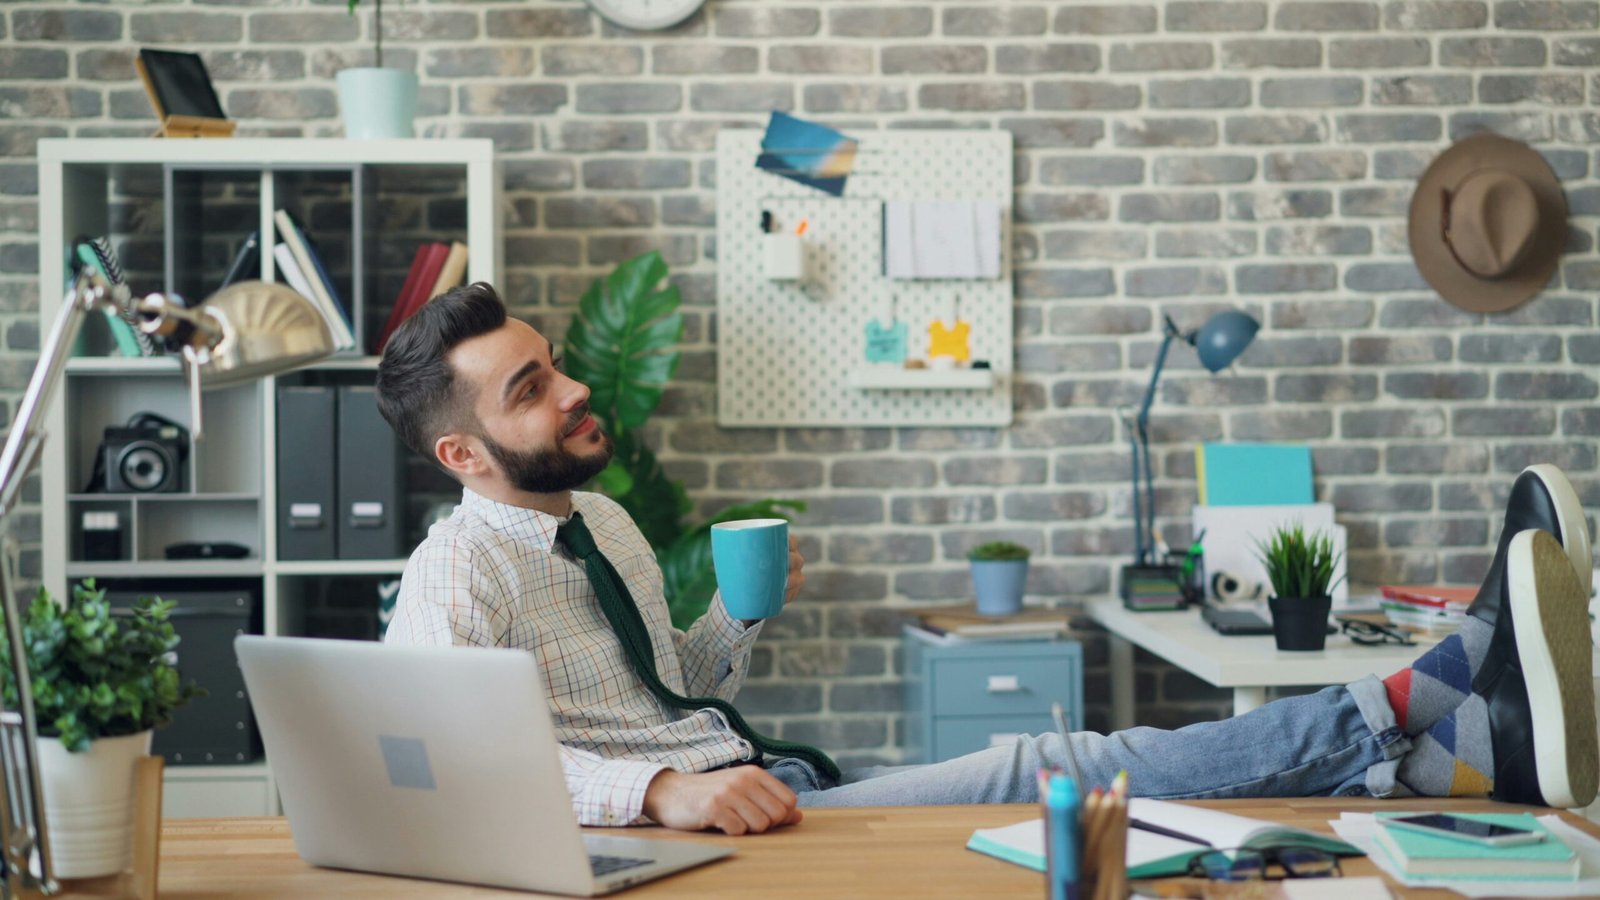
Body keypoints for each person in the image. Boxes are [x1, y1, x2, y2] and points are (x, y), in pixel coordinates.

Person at [376, 282, 1598, 835]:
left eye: (554, 360)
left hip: (747, 794)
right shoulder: (453, 577)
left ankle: (1458, 749)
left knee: (1071, 770)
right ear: (464, 451)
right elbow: (441, 776)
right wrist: (654, 794)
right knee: (1051, 760)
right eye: (533, 387)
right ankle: (1424, 692)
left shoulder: (604, 522)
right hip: (676, 846)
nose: (577, 386)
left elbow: (669, 691)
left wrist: (734, 628)